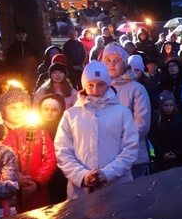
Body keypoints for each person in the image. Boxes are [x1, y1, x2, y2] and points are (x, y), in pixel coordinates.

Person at [55, 61, 139, 199]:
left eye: (100, 84)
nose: (95, 89)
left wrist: (108, 173)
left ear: (107, 84)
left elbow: (130, 148)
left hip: (117, 187)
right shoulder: (71, 114)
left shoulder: (122, 112)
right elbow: (63, 150)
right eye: (90, 85)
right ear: (84, 85)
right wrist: (81, 175)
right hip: (81, 191)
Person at [0, 88, 57, 213]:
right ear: (4, 110)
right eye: (13, 107)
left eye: (23, 107)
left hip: (36, 194)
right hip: (7, 199)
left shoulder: (39, 131)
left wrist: (37, 182)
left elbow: (50, 158)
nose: (18, 111)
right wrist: (11, 179)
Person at [102, 43, 152, 178]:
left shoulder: (137, 89)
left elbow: (141, 124)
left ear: (124, 63)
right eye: (108, 60)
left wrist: (119, 144)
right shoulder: (99, 89)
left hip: (133, 158)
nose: (112, 64)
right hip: (105, 160)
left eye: (117, 60)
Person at [149, 91, 182, 172]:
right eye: (166, 105)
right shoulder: (156, 120)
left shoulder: (179, 119)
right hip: (161, 158)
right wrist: (162, 153)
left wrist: (177, 153)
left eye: (171, 105)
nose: (169, 108)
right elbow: (153, 139)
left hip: (178, 158)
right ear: (161, 105)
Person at [37, 93, 67, 204]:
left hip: (60, 172)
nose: (49, 113)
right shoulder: (34, 128)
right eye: (46, 109)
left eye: (54, 110)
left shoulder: (64, 128)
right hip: (39, 171)